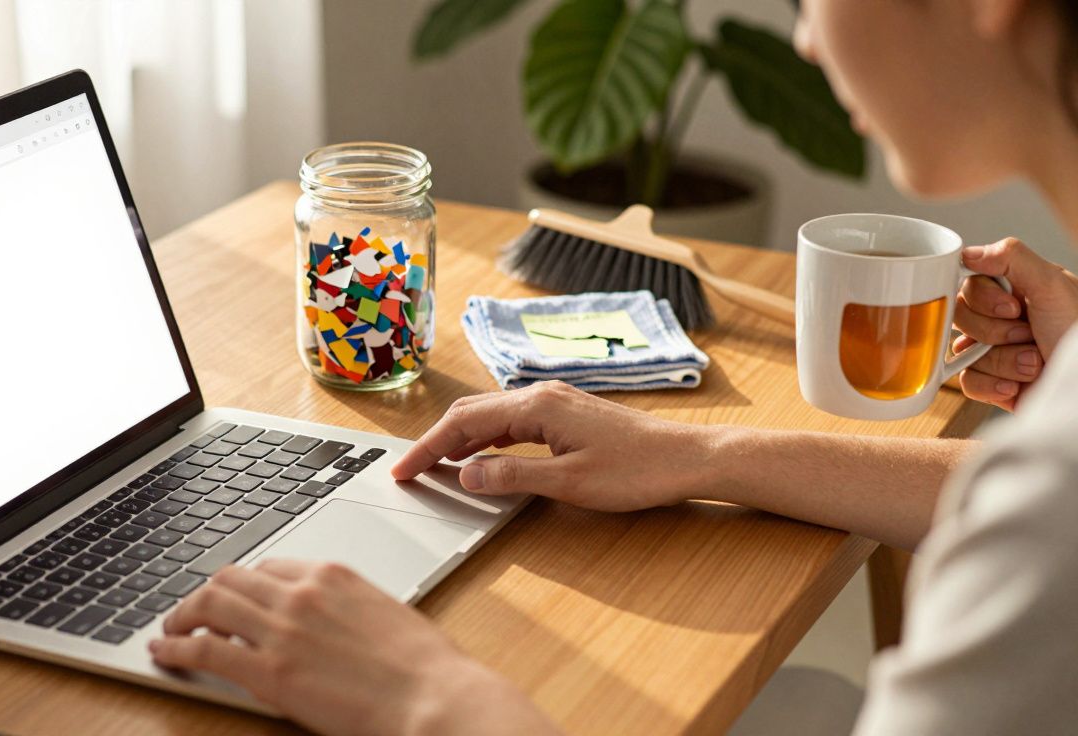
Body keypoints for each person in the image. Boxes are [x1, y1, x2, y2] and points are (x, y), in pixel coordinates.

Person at [148, 0, 1078, 733]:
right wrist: (700, 456)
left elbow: (1046, 508)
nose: (802, 38)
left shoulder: (1050, 502)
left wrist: (425, 697)